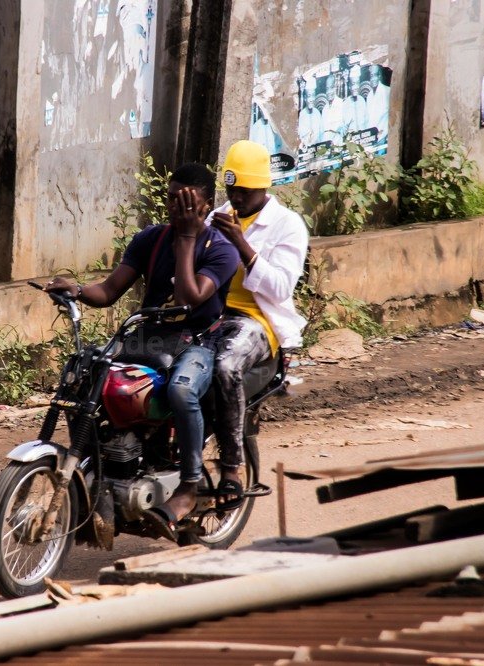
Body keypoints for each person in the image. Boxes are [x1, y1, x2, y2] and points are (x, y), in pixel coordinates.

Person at [44, 163, 239, 540]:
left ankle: (189, 485)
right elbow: (110, 289)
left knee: (182, 390)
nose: (176, 209)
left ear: (206, 205)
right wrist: (78, 290)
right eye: (171, 199)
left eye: (187, 202)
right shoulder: (150, 239)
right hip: (148, 337)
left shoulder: (222, 250)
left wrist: (185, 238)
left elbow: (188, 298)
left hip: (197, 342)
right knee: (85, 379)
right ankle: (99, 477)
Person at [208, 140, 309, 506]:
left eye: (244, 191)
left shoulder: (287, 225)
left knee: (225, 365)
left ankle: (231, 467)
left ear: (263, 187)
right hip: (214, 315)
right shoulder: (217, 215)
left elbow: (281, 286)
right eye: (231, 189)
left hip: (257, 321)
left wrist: (242, 245)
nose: (236, 197)